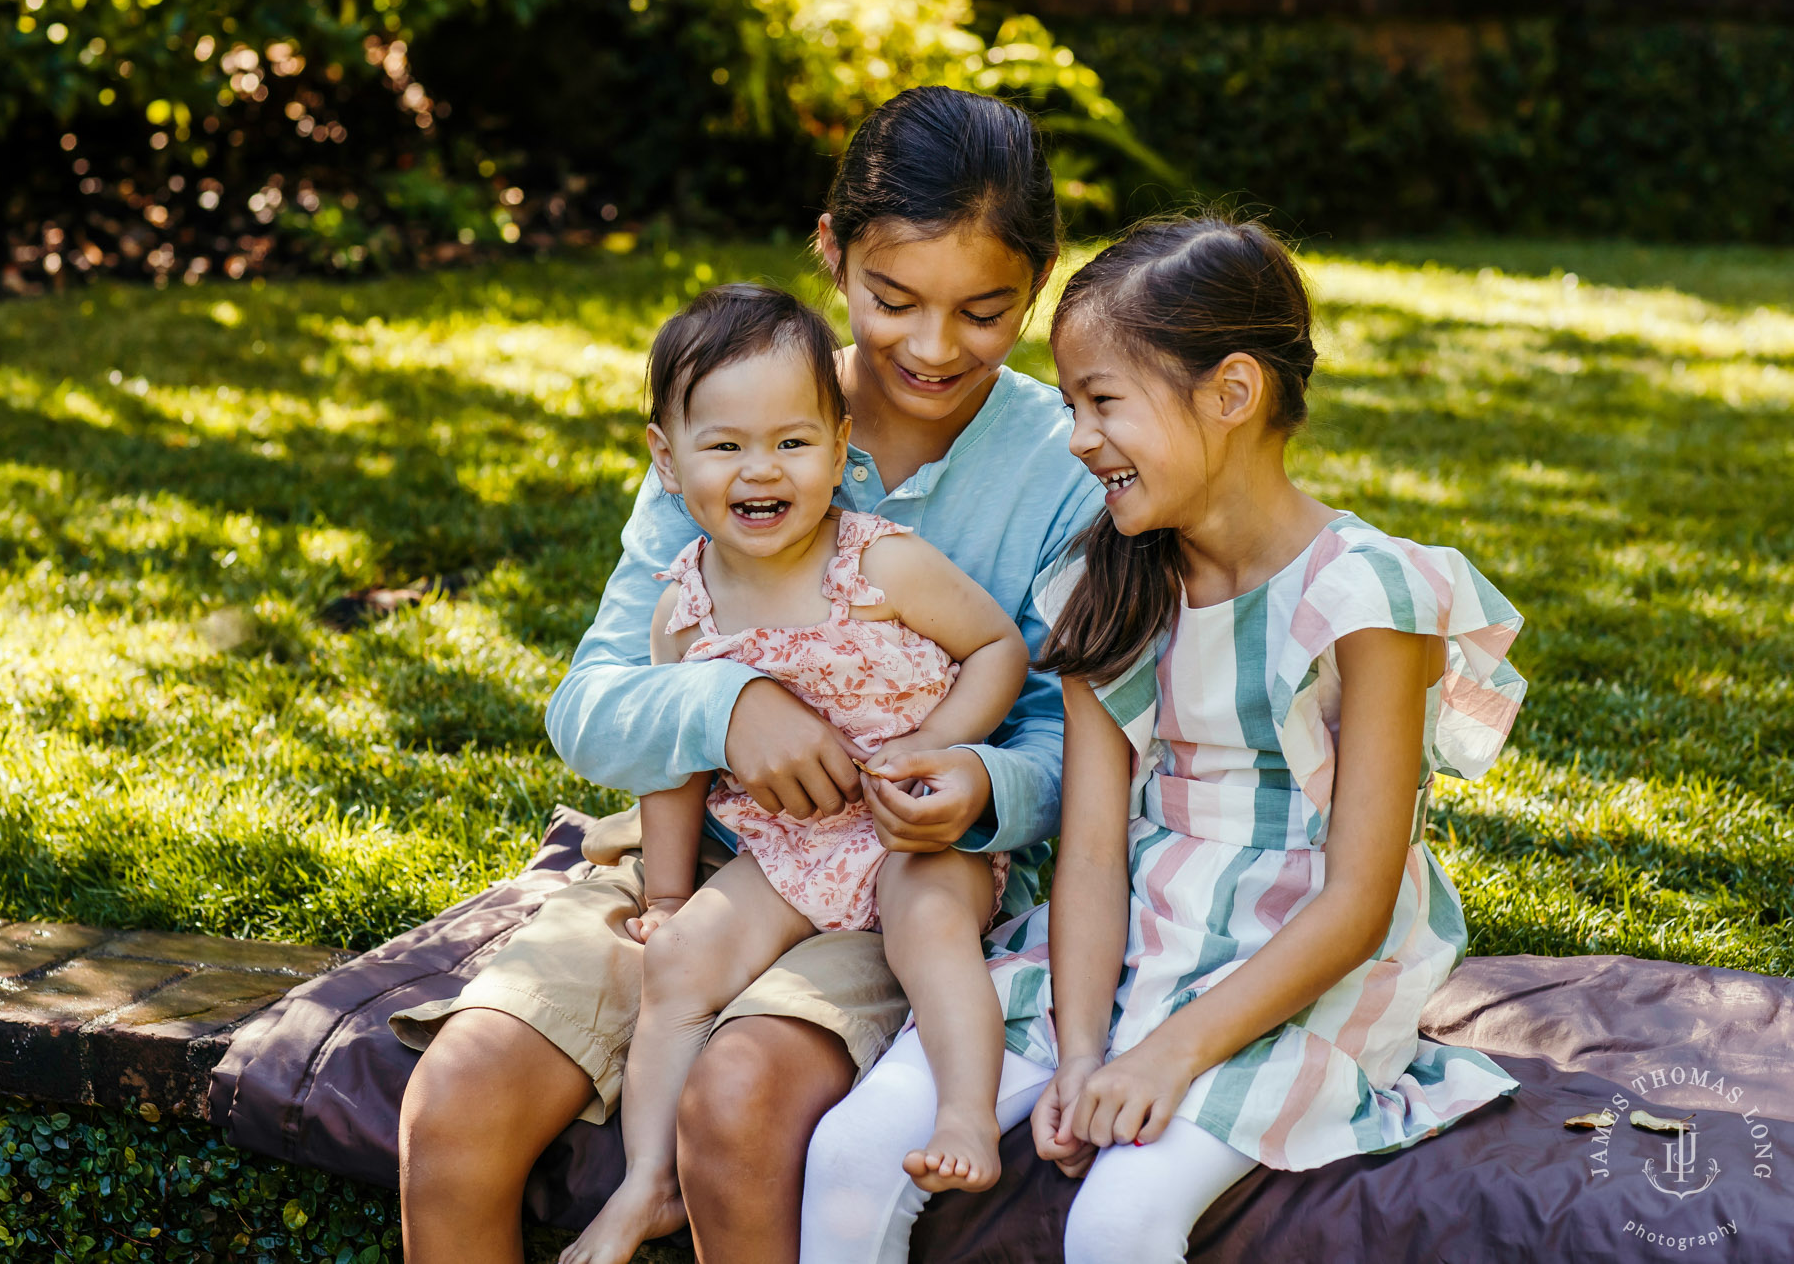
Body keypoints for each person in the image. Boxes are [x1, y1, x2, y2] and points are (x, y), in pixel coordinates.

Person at [392, 85, 1102, 1264]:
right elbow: (593, 705)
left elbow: (1068, 732)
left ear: (1037, 286)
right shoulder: (729, 411)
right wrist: (728, 706)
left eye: (985, 311)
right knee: (457, 1100)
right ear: (831, 253)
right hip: (699, 869)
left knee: (738, 1101)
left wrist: (980, 786)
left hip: (905, 878)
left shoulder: (1064, 464)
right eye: (891, 299)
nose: (932, 347)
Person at [802, 214, 1529, 1264]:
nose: (1076, 435)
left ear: (1230, 394)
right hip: (1125, 942)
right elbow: (1093, 854)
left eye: (1101, 402)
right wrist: (1084, 1052)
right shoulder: (1112, 580)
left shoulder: (1366, 597)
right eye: (1071, 403)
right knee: (849, 1154)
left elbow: (1359, 897)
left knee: (1120, 1215)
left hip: (1295, 974)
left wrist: (1165, 1059)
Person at [561, 283, 1031, 1264]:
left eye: (790, 442)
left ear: (838, 443)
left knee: (929, 927)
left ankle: (965, 1118)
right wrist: (666, 890)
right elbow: (671, 762)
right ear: (665, 456)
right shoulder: (684, 607)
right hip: (789, 842)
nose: (759, 470)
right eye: (724, 445)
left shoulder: (878, 564)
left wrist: (938, 747)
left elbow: (996, 647)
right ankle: (648, 1181)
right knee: (680, 960)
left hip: (909, 825)